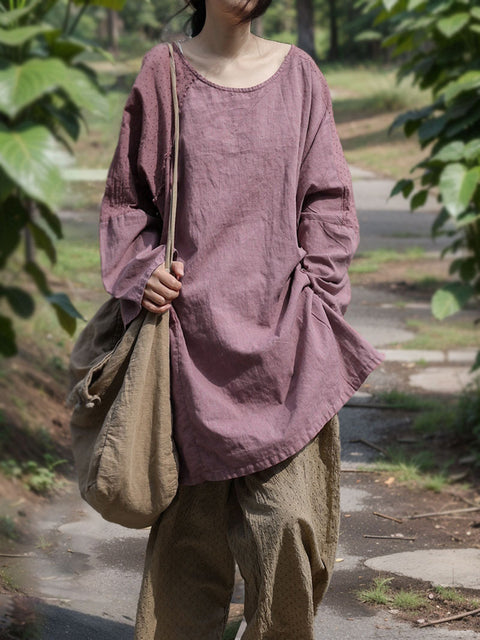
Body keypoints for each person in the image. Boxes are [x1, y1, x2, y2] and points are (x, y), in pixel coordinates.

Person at [99, 0, 384, 637]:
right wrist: (144, 270)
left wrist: (317, 296)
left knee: (289, 528)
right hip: (186, 348)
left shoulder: (300, 75)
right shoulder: (162, 74)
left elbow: (329, 202)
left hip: (284, 345)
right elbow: (127, 204)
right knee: (187, 549)